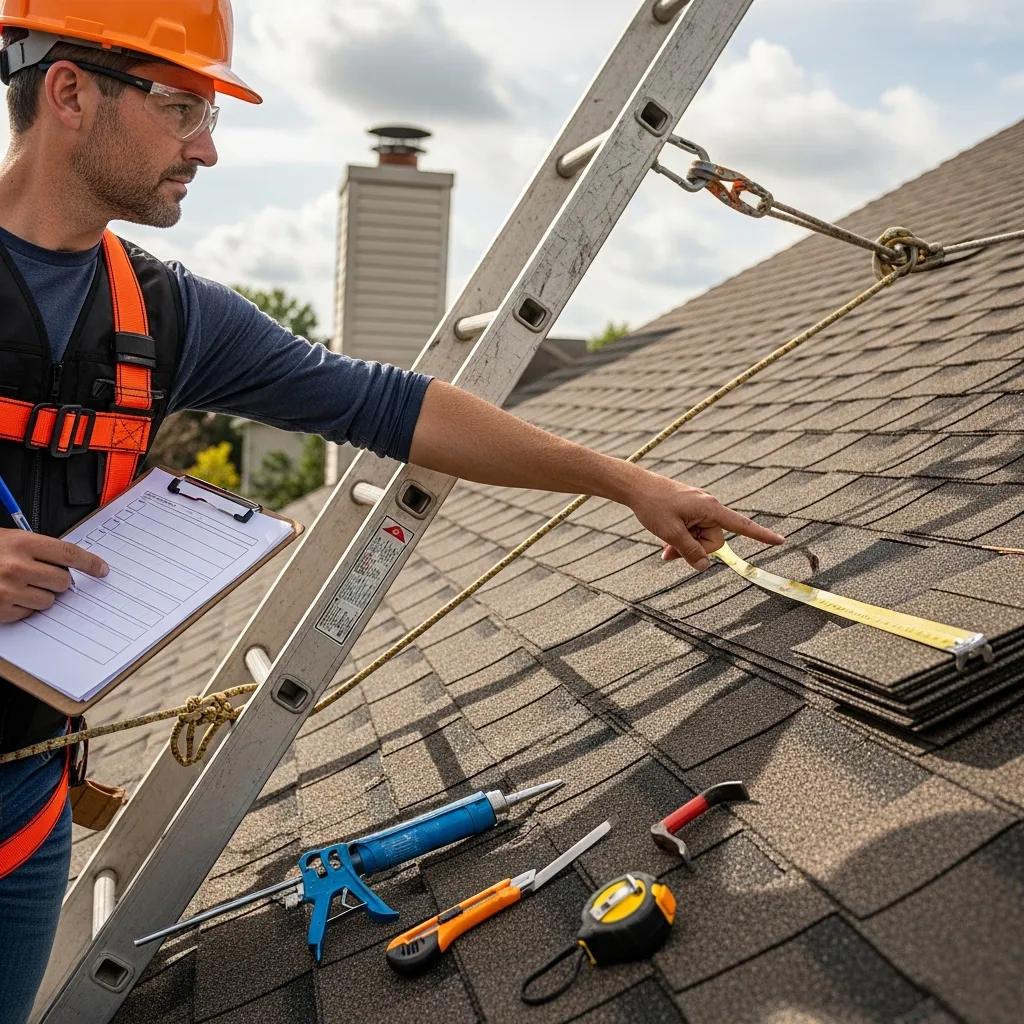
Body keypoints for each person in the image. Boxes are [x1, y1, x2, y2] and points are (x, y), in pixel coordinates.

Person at [0, 2, 785, 1019]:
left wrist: (624, 480)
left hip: (26, 804)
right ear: (70, 91)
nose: (208, 147)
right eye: (183, 105)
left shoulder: (157, 313)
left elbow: (392, 404)